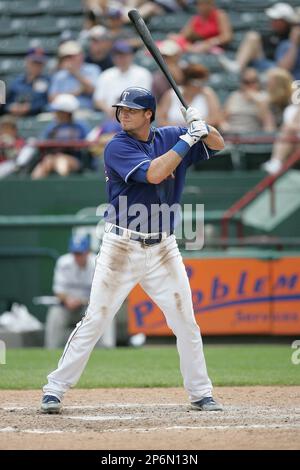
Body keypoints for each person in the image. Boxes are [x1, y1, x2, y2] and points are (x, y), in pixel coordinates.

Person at [41, 86, 224, 414]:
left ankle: (201, 393)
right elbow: (155, 174)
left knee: (186, 321)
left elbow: (219, 144)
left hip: (164, 247)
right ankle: (54, 389)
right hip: (121, 247)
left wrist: (203, 126)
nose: (123, 114)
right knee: (96, 318)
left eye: (131, 110)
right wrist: (188, 139)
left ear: (148, 114)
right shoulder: (117, 145)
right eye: (121, 109)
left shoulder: (169, 134)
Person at [219, 2, 300, 80]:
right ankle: (238, 66)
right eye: (272, 19)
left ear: (285, 21)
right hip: (266, 63)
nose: (272, 22)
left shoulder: (291, 39)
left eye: (277, 20)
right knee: (252, 36)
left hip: (279, 70)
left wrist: (294, 42)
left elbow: (283, 68)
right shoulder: (271, 35)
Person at [45, 234, 96, 349]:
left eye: (80, 253)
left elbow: (102, 293)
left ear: (87, 252)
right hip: (68, 307)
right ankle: (50, 350)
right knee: (55, 313)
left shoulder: (97, 262)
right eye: (75, 253)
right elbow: (58, 291)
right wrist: (67, 300)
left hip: (89, 306)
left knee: (104, 312)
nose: (77, 257)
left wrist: (82, 301)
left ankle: (106, 350)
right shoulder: (64, 262)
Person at [31, 94, 91, 179]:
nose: (55, 113)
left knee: (61, 162)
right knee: (45, 163)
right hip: (52, 157)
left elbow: (88, 143)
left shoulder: (80, 126)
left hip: (76, 159)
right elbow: (42, 141)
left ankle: (62, 187)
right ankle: (34, 187)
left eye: (58, 111)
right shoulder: (53, 127)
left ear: (66, 112)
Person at [157, 63, 222, 127]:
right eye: (196, 83)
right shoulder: (171, 94)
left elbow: (215, 119)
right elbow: (161, 120)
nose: (200, 86)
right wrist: (180, 128)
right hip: (173, 135)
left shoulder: (208, 94)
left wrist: (194, 126)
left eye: (202, 82)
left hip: (200, 136)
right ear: (187, 82)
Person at [221, 68, 275, 134]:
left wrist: (257, 100)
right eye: (246, 82)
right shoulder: (234, 96)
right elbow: (223, 118)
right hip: (232, 134)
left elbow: (268, 124)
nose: (250, 85)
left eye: (253, 81)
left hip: (251, 137)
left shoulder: (264, 97)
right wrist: (224, 125)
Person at [5, 47, 49, 116]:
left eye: (39, 63)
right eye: (34, 62)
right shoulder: (16, 81)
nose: (36, 66)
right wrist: (11, 107)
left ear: (44, 64)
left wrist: (31, 107)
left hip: (37, 118)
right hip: (15, 117)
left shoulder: (48, 81)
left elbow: (48, 102)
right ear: (27, 61)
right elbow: (6, 103)